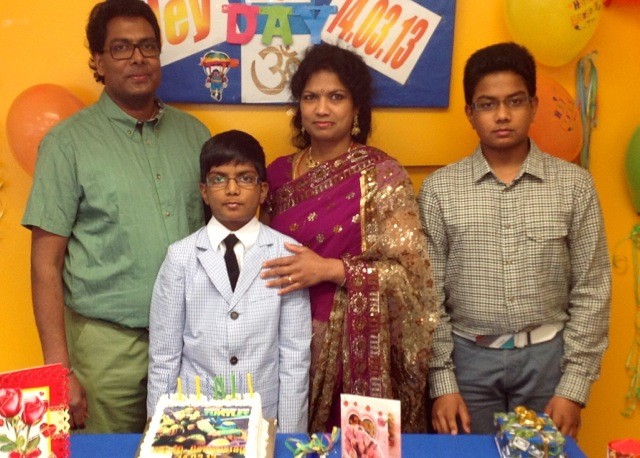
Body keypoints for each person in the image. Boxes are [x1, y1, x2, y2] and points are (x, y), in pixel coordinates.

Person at [21, 0, 210, 433]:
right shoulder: (67, 144)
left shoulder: (195, 136)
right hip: (108, 351)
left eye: (147, 46)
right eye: (121, 48)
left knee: (193, 450)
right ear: (98, 60)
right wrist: (58, 372)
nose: (138, 57)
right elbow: (45, 264)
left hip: (192, 343)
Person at [418, 42, 611, 438]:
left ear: (534, 106)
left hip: (549, 365)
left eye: (515, 101)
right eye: (488, 104)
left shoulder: (574, 186)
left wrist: (573, 387)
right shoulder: (440, 190)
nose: (502, 115)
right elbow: (428, 296)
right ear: (470, 113)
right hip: (467, 364)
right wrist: (443, 382)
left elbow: (593, 289)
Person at [260, 43, 439, 433]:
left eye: (336, 97)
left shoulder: (383, 175)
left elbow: (412, 278)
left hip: (352, 346)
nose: (322, 109)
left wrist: (332, 269)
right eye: (311, 97)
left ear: (356, 107)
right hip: (280, 339)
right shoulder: (276, 175)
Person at [147, 130, 311, 433]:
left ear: (263, 191)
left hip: (262, 416)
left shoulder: (287, 254)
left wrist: (290, 438)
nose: (232, 189)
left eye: (245, 178)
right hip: (194, 418)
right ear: (204, 191)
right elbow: (164, 356)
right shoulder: (180, 257)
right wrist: (161, 432)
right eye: (219, 179)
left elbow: (294, 356)